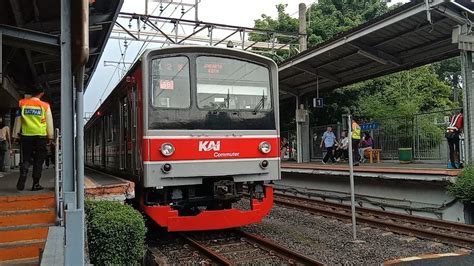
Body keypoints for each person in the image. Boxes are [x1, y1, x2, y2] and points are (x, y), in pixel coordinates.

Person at [13, 87, 54, 191]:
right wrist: (50, 136)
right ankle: (35, 184)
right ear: (41, 93)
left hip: (26, 135)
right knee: (39, 160)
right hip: (40, 136)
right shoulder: (45, 106)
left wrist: (15, 135)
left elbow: (18, 120)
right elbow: (49, 122)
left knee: (26, 157)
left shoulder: (22, 103)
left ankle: (23, 173)